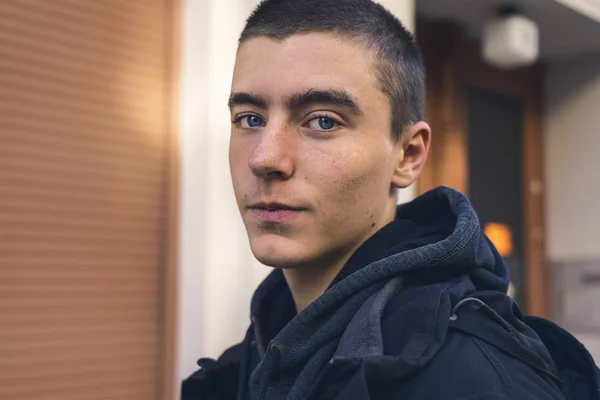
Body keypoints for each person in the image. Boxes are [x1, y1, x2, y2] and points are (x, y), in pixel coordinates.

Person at [182, 0, 600, 398]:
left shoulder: (475, 379)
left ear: (408, 155)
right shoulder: (259, 353)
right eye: (249, 119)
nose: (265, 158)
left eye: (323, 121)